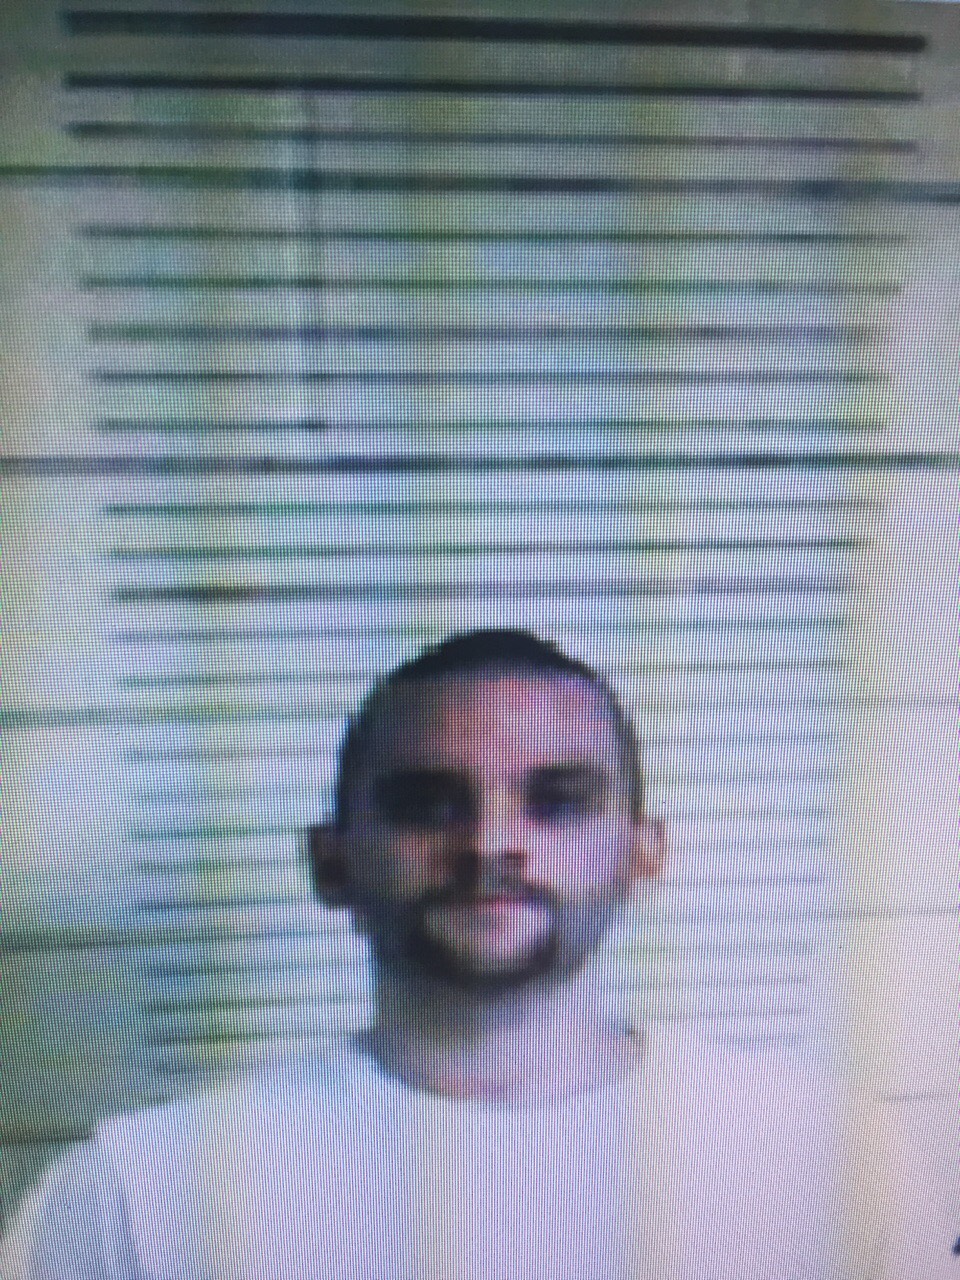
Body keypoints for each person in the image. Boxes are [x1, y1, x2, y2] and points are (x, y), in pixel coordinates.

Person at [0, 628, 950, 1279]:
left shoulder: (830, 1155)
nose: (493, 842)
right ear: (332, 863)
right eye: (428, 803)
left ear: (643, 853)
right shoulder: (142, 1194)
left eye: (558, 800)